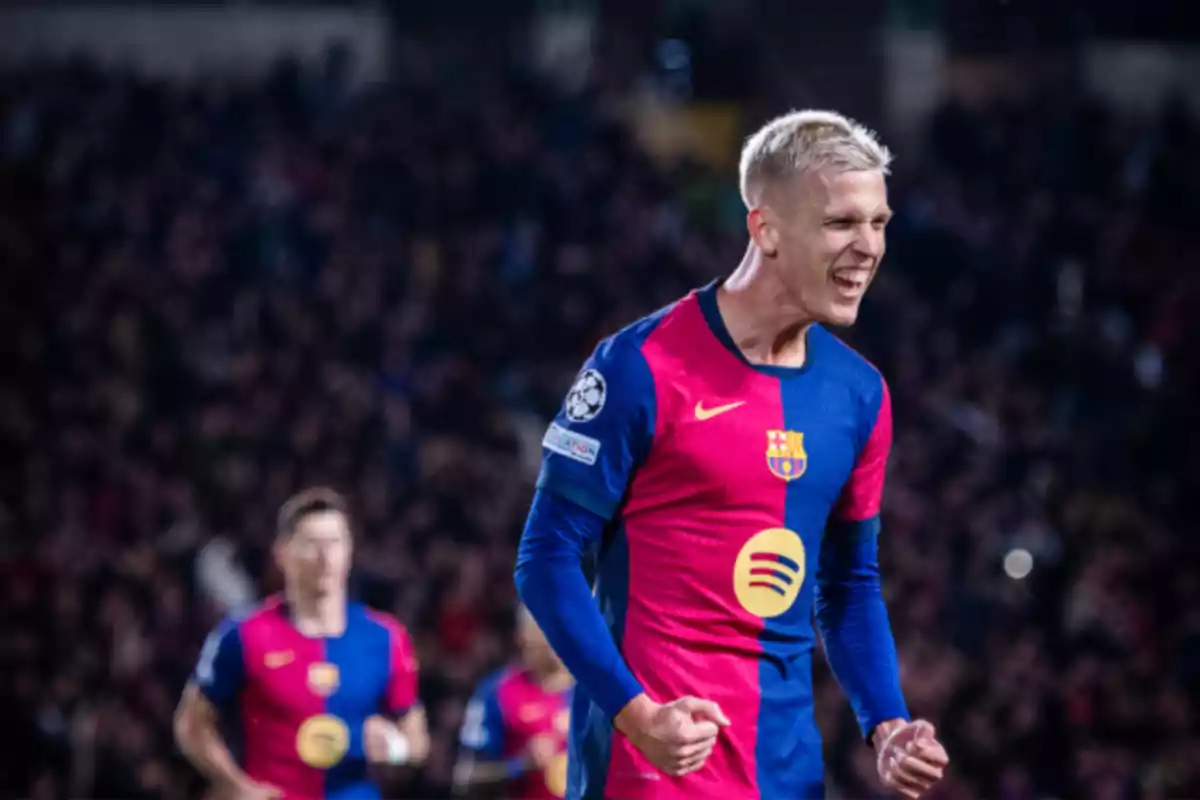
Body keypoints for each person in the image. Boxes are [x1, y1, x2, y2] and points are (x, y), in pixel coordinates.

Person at [514, 110, 950, 800]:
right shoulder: (641, 366)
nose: (868, 246)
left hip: (787, 775)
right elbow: (545, 558)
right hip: (649, 773)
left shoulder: (860, 395)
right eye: (841, 223)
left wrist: (887, 722)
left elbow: (847, 585)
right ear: (765, 227)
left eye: (879, 223)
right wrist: (638, 715)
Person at [174, 487, 430, 800]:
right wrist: (237, 785)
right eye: (312, 544)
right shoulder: (243, 635)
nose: (325, 557)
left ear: (349, 550)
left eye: (335, 542)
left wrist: (397, 747)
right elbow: (191, 724)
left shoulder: (387, 638)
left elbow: (418, 741)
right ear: (282, 554)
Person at [454, 606, 575, 799]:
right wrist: (521, 765)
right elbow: (465, 777)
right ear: (523, 635)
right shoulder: (498, 692)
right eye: (545, 626)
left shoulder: (595, 693)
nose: (557, 633)